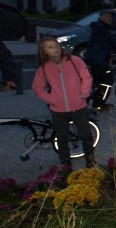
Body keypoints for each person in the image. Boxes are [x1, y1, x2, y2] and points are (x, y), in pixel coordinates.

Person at [31, 36, 97, 169]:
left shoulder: (74, 60)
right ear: (44, 52)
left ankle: (91, 164)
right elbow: (37, 87)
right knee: (62, 138)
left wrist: (84, 93)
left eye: (56, 45)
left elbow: (87, 77)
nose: (55, 49)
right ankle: (66, 167)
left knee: (86, 135)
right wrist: (51, 99)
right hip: (58, 110)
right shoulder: (44, 68)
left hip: (78, 107)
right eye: (50, 47)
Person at [87, 10, 116, 110]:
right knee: (107, 81)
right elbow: (112, 42)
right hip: (100, 60)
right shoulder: (101, 28)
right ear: (101, 17)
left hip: (96, 59)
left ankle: (97, 102)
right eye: (107, 17)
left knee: (99, 81)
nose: (110, 19)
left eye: (111, 17)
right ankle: (99, 104)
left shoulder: (99, 27)